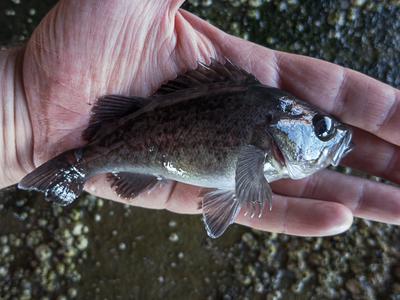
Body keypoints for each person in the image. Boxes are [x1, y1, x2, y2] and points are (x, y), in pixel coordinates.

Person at [0, 0, 399, 237]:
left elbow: (240, 185)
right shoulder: (261, 143)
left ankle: (71, 168)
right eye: (322, 128)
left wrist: (19, 102)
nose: (331, 136)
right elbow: (246, 185)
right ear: (283, 124)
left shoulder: (263, 147)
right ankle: (74, 167)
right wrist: (25, 102)